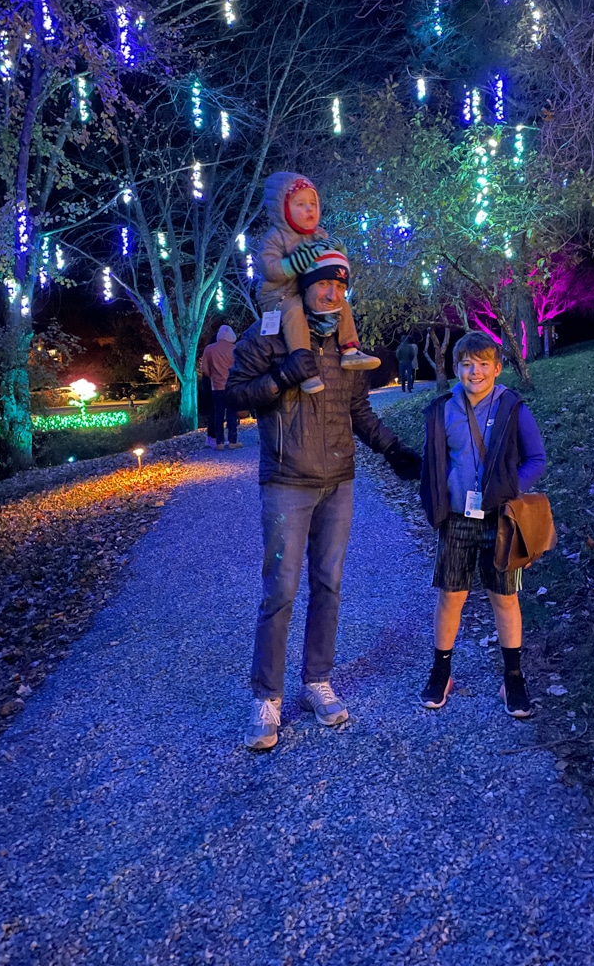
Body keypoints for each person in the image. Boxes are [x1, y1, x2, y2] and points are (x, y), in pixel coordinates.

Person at [226, 248, 422, 751]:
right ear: (305, 285)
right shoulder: (268, 333)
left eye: (340, 286)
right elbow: (234, 394)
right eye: (324, 284)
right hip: (287, 481)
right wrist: (282, 376)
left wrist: (393, 449)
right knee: (280, 591)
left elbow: (358, 410)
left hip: (339, 482)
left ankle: (317, 681)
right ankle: (266, 696)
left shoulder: (345, 344)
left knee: (328, 586)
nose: (332, 294)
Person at [418, 331, 546, 718]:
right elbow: (433, 462)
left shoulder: (512, 407)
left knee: (505, 598)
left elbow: (536, 459)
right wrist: (436, 502)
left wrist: (509, 490)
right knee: (450, 596)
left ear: (497, 368)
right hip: (457, 519)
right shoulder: (442, 409)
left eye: (483, 364)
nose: (475, 372)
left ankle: (513, 679)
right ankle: (441, 673)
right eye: (467, 364)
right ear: (456, 368)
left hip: (501, 521)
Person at [256, 171, 380, 395]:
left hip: (309, 291)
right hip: (279, 295)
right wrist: (292, 264)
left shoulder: (318, 234)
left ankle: (350, 350)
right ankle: (303, 366)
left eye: (312, 204)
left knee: (341, 303)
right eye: (300, 204)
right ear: (283, 209)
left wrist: (338, 250)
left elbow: (331, 262)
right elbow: (268, 267)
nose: (309, 209)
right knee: (294, 310)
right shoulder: (276, 237)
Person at [201, 325, 242, 449]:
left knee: (218, 414)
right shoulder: (235, 349)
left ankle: (219, 442)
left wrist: (213, 376)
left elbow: (204, 369)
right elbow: (240, 368)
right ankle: (232, 441)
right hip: (231, 386)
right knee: (231, 413)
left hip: (216, 386)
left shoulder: (209, 349)